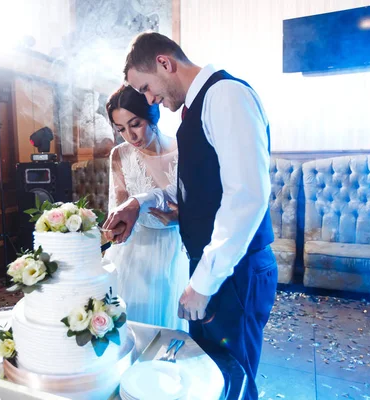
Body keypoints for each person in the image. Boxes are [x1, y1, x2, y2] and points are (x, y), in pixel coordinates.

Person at [103, 32, 278, 400]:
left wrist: (202, 283)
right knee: (207, 376)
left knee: (232, 378)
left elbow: (246, 198)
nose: (150, 99)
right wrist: (140, 202)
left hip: (236, 272)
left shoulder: (226, 96)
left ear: (165, 63)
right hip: (217, 268)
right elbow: (192, 187)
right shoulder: (198, 108)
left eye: (147, 87)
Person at [104, 84, 188, 332]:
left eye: (135, 124)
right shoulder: (119, 155)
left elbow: (196, 209)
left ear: (152, 115)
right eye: (120, 129)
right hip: (134, 251)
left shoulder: (183, 151)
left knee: (167, 327)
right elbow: (118, 207)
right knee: (130, 327)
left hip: (175, 250)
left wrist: (179, 219)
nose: (130, 136)